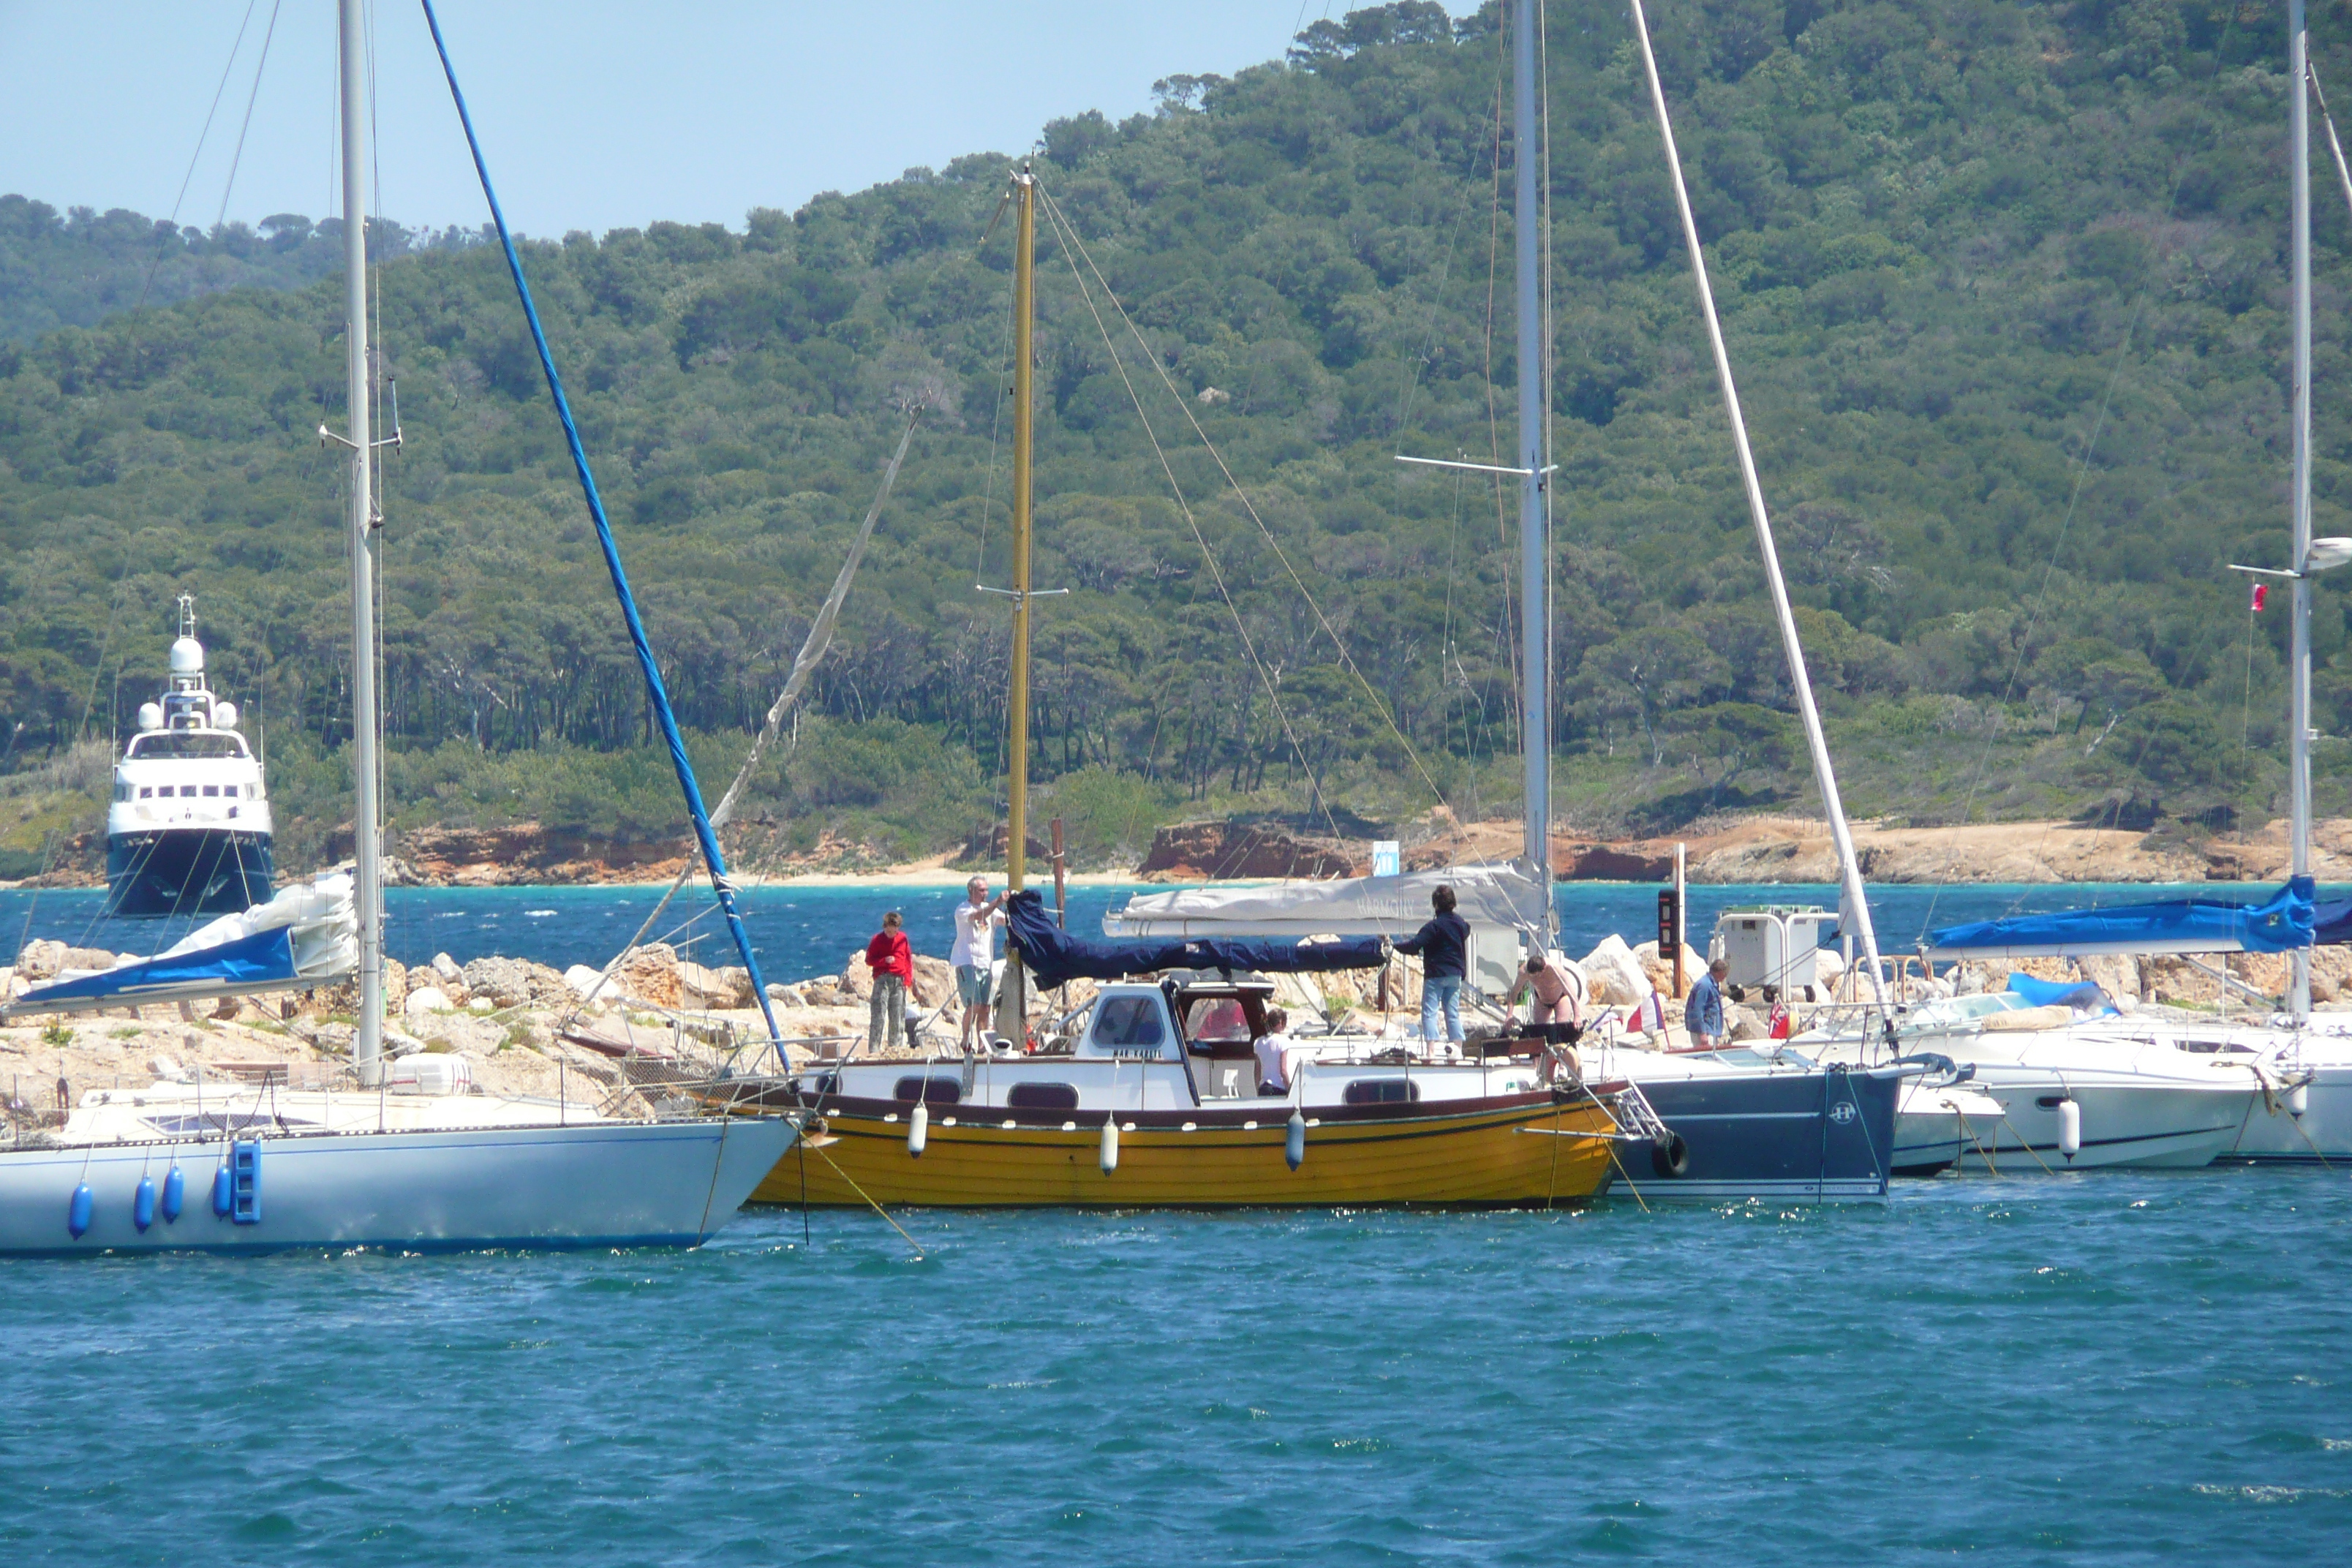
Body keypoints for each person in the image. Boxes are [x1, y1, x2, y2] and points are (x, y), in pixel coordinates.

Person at [1393, 884, 1471, 1045]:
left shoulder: (1433, 927)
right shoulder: (1461, 924)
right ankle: (1457, 1049)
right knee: (1452, 1013)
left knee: (1430, 1012)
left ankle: (1431, 1051)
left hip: (1436, 975)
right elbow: (1466, 930)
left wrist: (1395, 947)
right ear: (1453, 903)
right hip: (1455, 974)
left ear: (1435, 905)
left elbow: (1415, 945)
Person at [950, 875, 1006, 1050]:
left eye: (987, 890)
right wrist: (997, 901)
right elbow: (977, 916)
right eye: (982, 890)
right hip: (968, 962)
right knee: (973, 1004)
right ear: (971, 891)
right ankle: (965, 1039)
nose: (985, 894)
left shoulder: (989, 909)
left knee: (985, 1007)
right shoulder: (963, 910)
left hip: (986, 964)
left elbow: (1005, 921)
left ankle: (982, 1044)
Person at [864, 911, 913, 1055]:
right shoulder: (877, 939)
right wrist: (883, 961)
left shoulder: (903, 939)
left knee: (897, 1016)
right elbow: (869, 960)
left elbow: (908, 960)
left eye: (894, 931)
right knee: (878, 1015)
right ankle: (874, 1049)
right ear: (884, 927)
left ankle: (895, 1048)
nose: (891, 933)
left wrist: (908, 980)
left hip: (899, 980)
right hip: (883, 979)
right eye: (888, 930)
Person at [1507, 952, 1583, 1040]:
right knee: (1539, 1033)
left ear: (1543, 970)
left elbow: (1571, 993)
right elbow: (1514, 993)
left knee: (1561, 1029)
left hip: (1560, 998)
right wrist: (1509, 1015)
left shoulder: (1555, 968)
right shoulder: (1524, 971)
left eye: (1537, 975)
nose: (1536, 978)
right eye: (1533, 977)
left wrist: (1577, 1016)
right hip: (1541, 1001)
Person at [1685, 957, 1729, 1050]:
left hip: (1711, 1029)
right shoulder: (1705, 985)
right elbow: (1698, 1009)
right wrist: (1703, 1033)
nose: (1725, 976)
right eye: (1725, 973)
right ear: (1719, 972)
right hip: (1706, 1031)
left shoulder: (1712, 984)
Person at [1254, 1006, 1296, 1095]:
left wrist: (1258, 1089)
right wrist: (1289, 1089)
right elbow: (1283, 1071)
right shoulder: (1283, 1041)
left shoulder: (1258, 1042)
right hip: (1278, 1088)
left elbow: (1257, 1071)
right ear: (1281, 1023)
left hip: (1263, 1088)